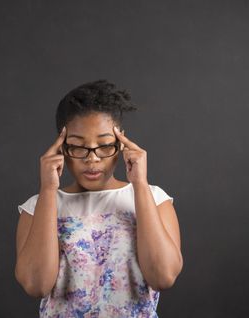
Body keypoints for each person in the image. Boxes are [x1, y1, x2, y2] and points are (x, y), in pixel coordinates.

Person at [15, 80, 183, 317]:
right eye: (78, 147)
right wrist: (48, 190)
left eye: (104, 145)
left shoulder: (154, 198)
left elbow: (163, 276)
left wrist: (140, 185)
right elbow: (36, 284)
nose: (92, 159)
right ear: (61, 146)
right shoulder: (37, 206)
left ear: (121, 142)